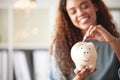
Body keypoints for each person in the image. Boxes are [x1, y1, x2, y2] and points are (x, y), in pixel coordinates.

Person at [49, 0, 120, 80]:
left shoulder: (115, 42)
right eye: (73, 12)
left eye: (85, 6)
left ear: (95, 6)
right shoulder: (60, 48)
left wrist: (113, 41)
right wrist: (79, 78)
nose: (80, 13)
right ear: (68, 17)